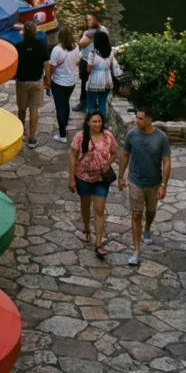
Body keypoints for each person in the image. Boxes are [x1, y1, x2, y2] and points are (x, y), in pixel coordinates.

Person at [119, 106, 171, 266]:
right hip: (135, 181)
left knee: (150, 210)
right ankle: (136, 251)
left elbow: (166, 161)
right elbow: (125, 154)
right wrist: (120, 177)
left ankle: (147, 227)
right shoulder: (132, 134)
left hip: (154, 183)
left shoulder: (161, 138)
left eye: (140, 118)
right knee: (136, 214)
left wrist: (164, 185)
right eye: (136, 117)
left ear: (149, 120)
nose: (137, 121)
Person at [69, 112, 118, 258]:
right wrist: (71, 179)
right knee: (85, 205)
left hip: (101, 179)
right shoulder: (80, 137)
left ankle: (98, 244)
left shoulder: (108, 136)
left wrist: (107, 163)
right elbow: (73, 156)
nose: (97, 124)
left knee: (99, 210)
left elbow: (114, 152)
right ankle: (86, 228)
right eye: (94, 121)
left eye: (99, 121)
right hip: (83, 177)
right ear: (88, 123)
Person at [15, 21, 50, 149]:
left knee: (22, 108)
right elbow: (46, 64)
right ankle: (32, 138)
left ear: (23, 32)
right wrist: (47, 79)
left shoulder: (18, 46)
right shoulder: (41, 46)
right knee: (33, 109)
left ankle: (21, 134)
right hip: (36, 81)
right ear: (35, 32)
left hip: (22, 81)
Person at [48, 25, 80, 141]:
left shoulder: (57, 50)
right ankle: (65, 124)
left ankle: (62, 135)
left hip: (59, 83)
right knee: (66, 103)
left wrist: (48, 79)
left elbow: (52, 68)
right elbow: (77, 62)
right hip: (71, 82)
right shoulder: (76, 47)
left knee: (60, 107)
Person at [85, 30, 120, 121]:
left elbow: (89, 69)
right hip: (107, 80)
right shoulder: (111, 52)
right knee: (102, 103)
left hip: (95, 80)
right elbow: (111, 66)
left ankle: (90, 122)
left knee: (90, 104)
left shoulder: (92, 53)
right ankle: (102, 123)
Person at [75, 14, 108, 111]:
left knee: (90, 82)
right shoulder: (91, 31)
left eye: (90, 19)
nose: (89, 22)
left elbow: (81, 43)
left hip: (93, 60)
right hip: (86, 59)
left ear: (95, 20)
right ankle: (84, 103)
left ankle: (87, 104)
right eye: (87, 20)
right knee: (85, 82)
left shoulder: (95, 31)